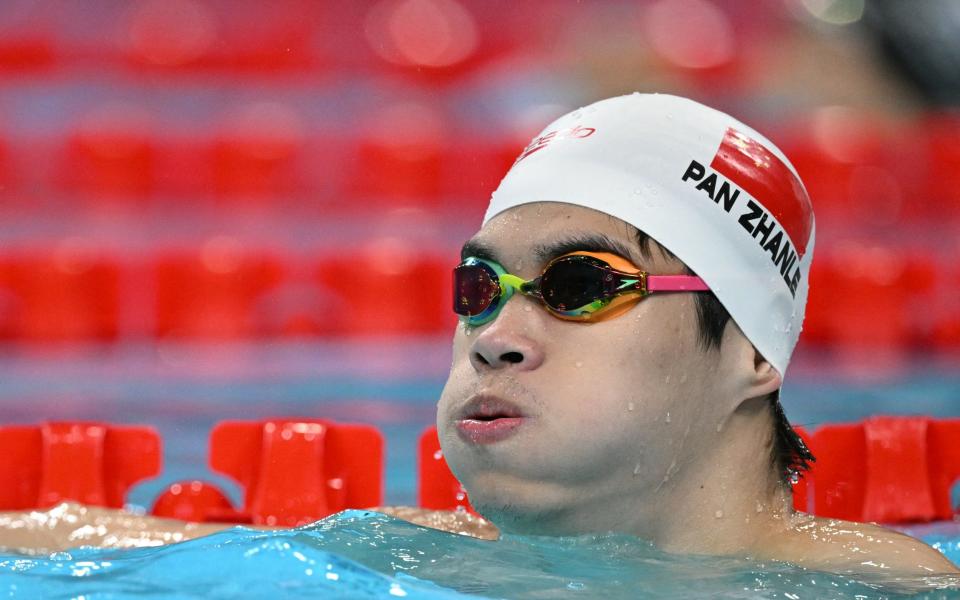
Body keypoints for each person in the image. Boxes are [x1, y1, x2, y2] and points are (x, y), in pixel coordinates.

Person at [1, 94, 957, 583]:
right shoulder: (394, 559)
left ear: (752, 352)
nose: (496, 336)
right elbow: (85, 545)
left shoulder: (884, 590)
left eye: (581, 286)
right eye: (477, 288)